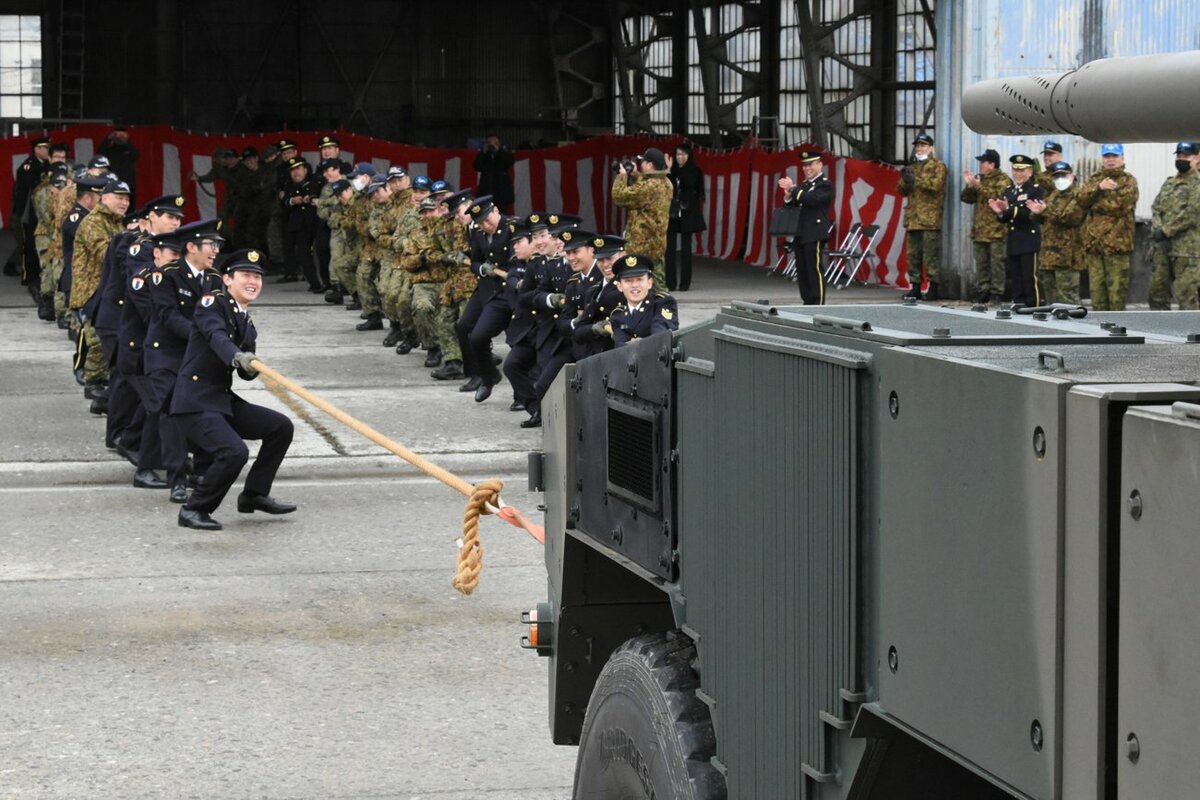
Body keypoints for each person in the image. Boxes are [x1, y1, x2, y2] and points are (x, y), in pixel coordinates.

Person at [172, 248, 295, 531]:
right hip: (194, 402)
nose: (253, 282)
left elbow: (245, 371)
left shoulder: (246, 321)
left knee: (280, 427)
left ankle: (253, 494)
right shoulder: (210, 303)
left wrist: (250, 366)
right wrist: (236, 356)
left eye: (258, 277)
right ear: (227, 280)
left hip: (220, 399)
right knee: (234, 452)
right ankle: (194, 509)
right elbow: (216, 337)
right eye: (246, 275)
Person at [145, 219, 227, 501]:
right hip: (167, 355)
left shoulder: (214, 278)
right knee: (173, 414)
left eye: (217, 245)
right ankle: (177, 477)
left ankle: (202, 471)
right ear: (191, 247)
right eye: (210, 245)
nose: (215, 250)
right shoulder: (166, 275)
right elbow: (168, 316)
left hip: (198, 357)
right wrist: (202, 336)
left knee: (206, 409)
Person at [454, 195, 512, 401]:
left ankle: (523, 395)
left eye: (488, 220)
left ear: (496, 211)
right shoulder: (479, 234)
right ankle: (486, 376)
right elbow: (475, 261)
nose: (486, 225)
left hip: (511, 291)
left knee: (517, 341)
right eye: (481, 223)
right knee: (468, 329)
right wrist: (481, 268)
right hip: (488, 288)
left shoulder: (514, 229)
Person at [1075, 143, 1138, 311]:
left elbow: (1120, 206)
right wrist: (1099, 189)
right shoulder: (1095, 179)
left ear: (1122, 158)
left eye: (1114, 156)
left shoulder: (1128, 180)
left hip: (1118, 244)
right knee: (1097, 292)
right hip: (1095, 244)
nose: (1111, 160)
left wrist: (1094, 203)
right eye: (1107, 156)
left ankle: (1118, 332)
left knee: (1117, 292)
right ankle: (1100, 331)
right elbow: (1080, 199)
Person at [777, 149, 834, 305]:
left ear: (820, 164)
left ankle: (818, 304)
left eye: (811, 165)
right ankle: (807, 302)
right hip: (801, 232)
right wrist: (788, 197)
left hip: (814, 233)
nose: (807, 168)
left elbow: (812, 200)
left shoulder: (825, 184)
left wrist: (793, 190)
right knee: (802, 272)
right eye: (804, 165)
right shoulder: (804, 185)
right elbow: (792, 206)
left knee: (814, 271)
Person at [988, 155, 1046, 307]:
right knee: (1016, 277)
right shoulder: (1009, 191)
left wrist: (1009, 209)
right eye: (1015, 170)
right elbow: (1007, 217)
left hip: (1028, 240)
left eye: (1022, 170)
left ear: (1030, 172)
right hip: (1014, 240)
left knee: (1029, 278)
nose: (1018, 174)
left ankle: (1034, 307)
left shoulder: (1035, 190)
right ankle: (1019, 305)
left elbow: (1030, 215)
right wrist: (1000, 212)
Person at [612, 147, 673, 289]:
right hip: (657, 244)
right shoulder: (667, 183)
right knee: (657, 284)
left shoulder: (647, 187)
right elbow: (648, 187)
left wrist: (622, 176)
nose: (641, 165)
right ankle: (663, 309)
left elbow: (620, 196)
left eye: (643, 163)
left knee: (637, 284)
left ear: (650, 165)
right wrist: (636, 174)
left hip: (641, 246)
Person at [1148, 143, 1200, 310]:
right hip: (1162, 248)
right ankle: (1160, 333)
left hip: (1187, 251)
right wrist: (1157, 228)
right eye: (1179, 156)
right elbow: (1156, 207)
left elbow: (1191, 214)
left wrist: (1165, 231)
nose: (1181, 159)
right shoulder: (1169, 183)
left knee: (1187, 297)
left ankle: (1190, 334)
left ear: (1196, 158)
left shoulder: (1197, 184)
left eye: (1186, 156)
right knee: (1157, 294)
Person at [897, 132, 948, 300]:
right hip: (913, 219)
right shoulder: (912, 167)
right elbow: (900, 191)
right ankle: (916, 287)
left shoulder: (937, 166)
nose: (919, 148)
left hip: (929, 219)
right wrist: (905, 180)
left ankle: (933, 288)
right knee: (913, 255)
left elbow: (936, 186)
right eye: (918, 146)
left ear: (930, 147)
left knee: (930, 255)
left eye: (923, 145)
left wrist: (916, 180)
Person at [960, 148, 1013, 304]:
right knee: (981, 263)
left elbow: (998, 198)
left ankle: (997, 292)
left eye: (984, 162)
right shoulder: (979, 178)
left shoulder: (1003, 180)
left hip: (996, 230)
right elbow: (966, 199)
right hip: (980, 229)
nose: (981, 165)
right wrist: (970, 186)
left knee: (997, 263)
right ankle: (983, 290)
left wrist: (979, 187)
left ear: (992, 164)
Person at [1038, 161, 1086, 305]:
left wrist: (1045, 210)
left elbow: (1069, 217)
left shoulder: (1079, 195)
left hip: (1067, 257)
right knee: (1051, 301)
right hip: (1049, 256)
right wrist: (1036, 213)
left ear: (1072, 177)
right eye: (1056, 177)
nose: (1060, 179)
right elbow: (1045, 219)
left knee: (1068, 300)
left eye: (1063, 176)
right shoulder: (1053, 195)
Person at [7, 135, 51, 286]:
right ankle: (26, 275)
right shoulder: (28, 166)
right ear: (37, 149)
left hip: (38, 211)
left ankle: (31, 271)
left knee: (33, 243)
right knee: (27, 244)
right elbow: (27, 190)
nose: (48, 151)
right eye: (45, 148)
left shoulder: (45, 164)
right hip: (26, 211)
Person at [609, 255, 679, 347]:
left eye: (639, 279)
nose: (634, 285)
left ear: (649, 283)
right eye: (628, 281)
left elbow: (660, 333)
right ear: (619, 286)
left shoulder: (662, 303)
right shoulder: (617, 315)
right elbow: (620, 346)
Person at [666, 141, 706, 291]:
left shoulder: (694, 170)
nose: (680, 157)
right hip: (672, 212)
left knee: (686, 249)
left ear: (689, 155)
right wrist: (669, 171)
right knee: (669, 249)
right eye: (677, 154)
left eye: (683, 154)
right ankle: (670, 282)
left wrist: (678, 172)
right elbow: (667, 187)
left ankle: (684, 283)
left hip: (688, 212)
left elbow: (690, 184)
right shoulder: (671, 170)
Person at [473, 134, 515, 214]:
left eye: (494, 142)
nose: (491, 145)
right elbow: (477, 166)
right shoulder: (485, 154)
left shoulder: (504, 152)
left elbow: (509, 162)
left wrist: (498, 150)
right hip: (486, 191)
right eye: (489, 142)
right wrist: (483, 152)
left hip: (501, 193)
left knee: (501, 214)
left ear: (499, 143)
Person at [98, 127, 140, 203]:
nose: (120, 136)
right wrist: (108, 138)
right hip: (112, 183)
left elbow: (136, 155)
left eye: (122, 134)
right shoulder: (110, 150)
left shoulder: (129, 149)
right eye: (118, 134)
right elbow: (100, 152)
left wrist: (125, 141)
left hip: (127, 184)